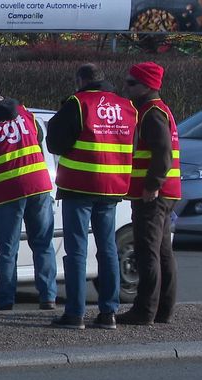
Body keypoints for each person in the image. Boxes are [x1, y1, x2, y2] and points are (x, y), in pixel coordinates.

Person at [46, 64, 137, 330]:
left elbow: (55, 144)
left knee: (76, 249)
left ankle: (75, 314)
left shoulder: (78, 103)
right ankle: (108, 313)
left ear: (80, 81)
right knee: (108, 249)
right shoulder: (126, 106)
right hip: (112, 186)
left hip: (80, 185)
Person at [0, 80, 57, 312]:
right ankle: (48, 297)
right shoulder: (25, 114)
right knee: (43, 244)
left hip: (8, 193)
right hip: (40, 186)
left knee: (8, 249)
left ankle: (5, 300)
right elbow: (38, 140)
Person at [117, 62, 181, 325]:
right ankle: (163, 310)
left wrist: (151, 185)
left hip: (154, 194)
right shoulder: (158, 110)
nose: (127, 87)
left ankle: (144, 311)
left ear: (146, 86)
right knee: (163, 252)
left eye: (131, 83)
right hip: (166, 192)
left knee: (147, 252)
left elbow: (162, 154)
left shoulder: (151, 113)